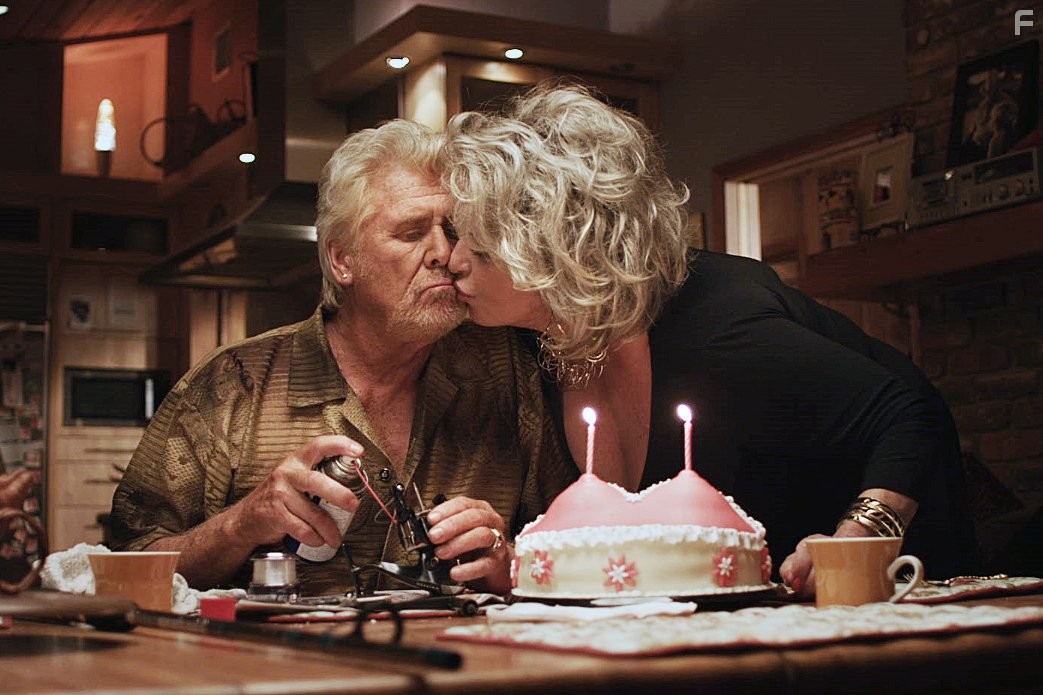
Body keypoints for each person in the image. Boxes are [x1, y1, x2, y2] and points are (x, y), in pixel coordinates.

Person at [441, 83, 978, 597]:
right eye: (457, 234)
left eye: (482, 250)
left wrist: (859, 537)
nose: (454, 260)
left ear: (561, 255)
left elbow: (909, 412)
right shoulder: (537, 343)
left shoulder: (720, 332)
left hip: (882, 570)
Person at [110, 119, 576, 596]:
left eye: (453, 229)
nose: (444, 253)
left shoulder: (506, 369)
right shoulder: (232, 385)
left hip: (459, 664)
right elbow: (120, 573)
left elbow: (579, 548)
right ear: (342, 261)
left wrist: (510, 561)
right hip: (275, 668)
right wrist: (239, 525)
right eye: (412, 233)